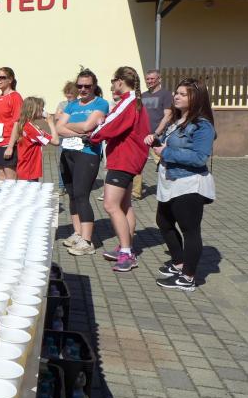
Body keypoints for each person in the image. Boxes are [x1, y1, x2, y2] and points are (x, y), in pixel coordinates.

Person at [149, 78, 215, 291]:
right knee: (163, 221)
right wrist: (157, 142)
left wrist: (166, 152)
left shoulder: (202, 125)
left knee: (190, 230)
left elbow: (199, 158)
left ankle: (188, 278)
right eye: (176, 93)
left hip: (189, 182)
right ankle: (179, 263)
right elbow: (171, 144)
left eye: (182, 94)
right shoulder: (177, 120)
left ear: (196, 98)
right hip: (170, 180)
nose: (176, 96)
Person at [89, 67, 150, 271]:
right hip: (129, 159)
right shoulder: (133, 101)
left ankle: (126, 253)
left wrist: (92, 134)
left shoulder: (128, 102)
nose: (112, 84)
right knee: (124, 206)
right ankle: (127, 247)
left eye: (113, 80)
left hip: (124, 159)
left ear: (120, 81)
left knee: (110, 205)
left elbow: (111, 125)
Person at [57, 69, 110, 256]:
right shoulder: (72, 104)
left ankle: (87, 241)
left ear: (94, 86)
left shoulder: (100, 103)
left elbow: (89, 126)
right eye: (79, 86)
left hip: (87, 154)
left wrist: (68, 125)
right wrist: (79, 132)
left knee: (81, 195)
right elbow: (58, 128)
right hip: (68, 152)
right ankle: (78, 232)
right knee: (72, 194)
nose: (83, 89)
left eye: (87, 86)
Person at [132, 70, 173, 199]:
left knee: (163, 163)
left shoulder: (166, 95)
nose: (149, 81)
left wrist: (156, 133)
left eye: (152, 79)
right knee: (136, 163)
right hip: (142, 136)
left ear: (159, 79)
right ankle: (135, 192)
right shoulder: (143, 96)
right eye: (147, 79)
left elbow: (168, 115)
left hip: (158, 136)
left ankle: (170, 190)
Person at [0, 67, 22, 179]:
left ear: (10, 80)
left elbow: (17, 122)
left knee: (10, 182)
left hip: (8, 144)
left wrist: (11, 146)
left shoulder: (15, 97)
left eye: (2, 77)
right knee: (0, 179)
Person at [14, 97, 60, 182]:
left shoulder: (26, 125)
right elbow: (56, 141)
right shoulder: (31, 128)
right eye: (41, 109)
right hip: (29, 170)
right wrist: (51, 123)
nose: (43, 111)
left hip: (25, 168)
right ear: (33, 110)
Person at [55, 81, 78, 194]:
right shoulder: (62, 104)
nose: (69, 95)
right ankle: (61, 185)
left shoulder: (79, 104)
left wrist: (64, 117)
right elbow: (56, 116)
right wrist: (69, 118)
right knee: (62, 163)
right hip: (63, 138)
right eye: (67, 93)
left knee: (75, 162)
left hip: (75, 137)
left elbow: (78, 119)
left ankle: (74, 185)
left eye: (71, 93)